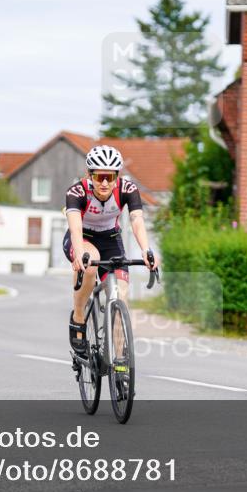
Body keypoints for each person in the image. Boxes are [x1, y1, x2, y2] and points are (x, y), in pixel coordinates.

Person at [63, 145, 158, 359]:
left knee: (121, 296)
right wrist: (79, 255)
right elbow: (75, 228)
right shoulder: (77, 192)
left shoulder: (127, 189)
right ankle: (78, 317)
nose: (105, 183)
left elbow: (136, 220)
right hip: (83, 239)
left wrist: (146, 250)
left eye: (110, 176)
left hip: (110, 240)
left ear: (118, 175)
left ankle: (120, 361)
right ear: (90, 175)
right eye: (99, 177)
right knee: (90, 261)